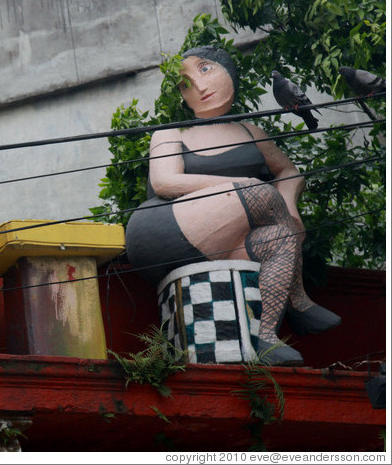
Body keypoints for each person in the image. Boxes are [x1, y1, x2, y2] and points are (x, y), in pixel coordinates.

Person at [124, 46, 341, 365]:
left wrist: (290, 209)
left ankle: (266, 338)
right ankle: (299, 300)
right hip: (164, 229)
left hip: (226, 237)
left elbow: (288, 170)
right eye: (185, 83)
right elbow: (165, 183)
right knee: (259, 192)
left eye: (206, 70)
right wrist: (241, 187)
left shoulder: (251, 132)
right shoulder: (172, 133)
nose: (199, 86)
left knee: (280, 240)